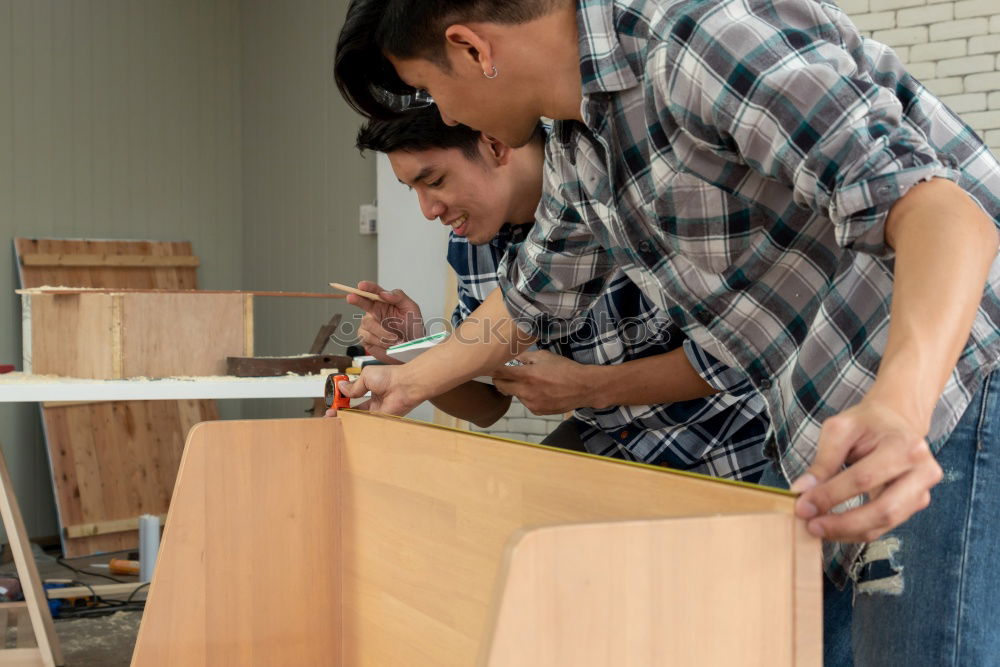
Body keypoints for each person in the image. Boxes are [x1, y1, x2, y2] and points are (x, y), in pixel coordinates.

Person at [333, 0, 1000, 664]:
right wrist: (404, 379)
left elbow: (944, 212)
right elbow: (529, 301)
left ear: (473, 49)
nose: (444, 115)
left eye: (433, 88)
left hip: (951, 388)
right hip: (832, 425)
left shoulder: (692, 39)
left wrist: (900, 406)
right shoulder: (580, 141)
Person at [344, 104, 771, 481]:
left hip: (732, 441)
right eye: (413, 191)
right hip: (610, 444)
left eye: (434, 181)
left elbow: (738, 357)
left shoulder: (615, 186)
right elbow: (488, 406)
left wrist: (592, 388)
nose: (428, 210)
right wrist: (413, 353)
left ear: (494, 145)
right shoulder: (472, 244)